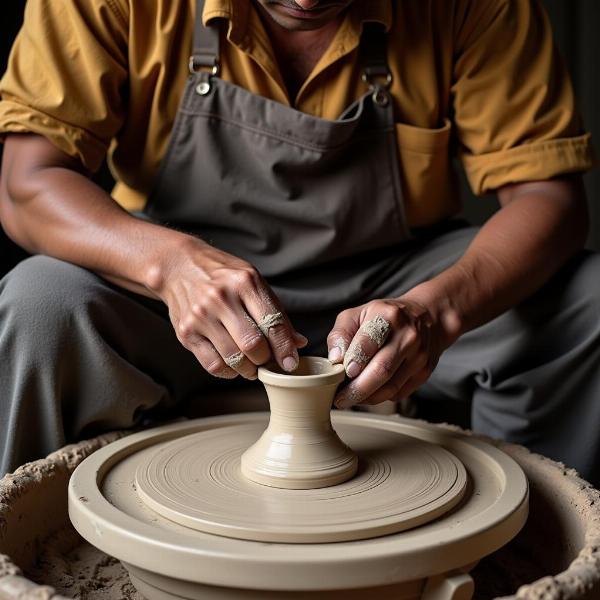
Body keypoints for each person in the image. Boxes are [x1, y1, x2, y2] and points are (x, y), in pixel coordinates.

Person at [0, 0, 598, 483]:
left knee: (587, 301)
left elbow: (550, 199)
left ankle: (529, 537)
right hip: (166, 293)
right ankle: (33, 539)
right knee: (39, 303)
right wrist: (169, 265)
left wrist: (436, 311)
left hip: (392, 280)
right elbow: (28, 182)